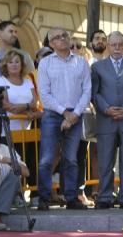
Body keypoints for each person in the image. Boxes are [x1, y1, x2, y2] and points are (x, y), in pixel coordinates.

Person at [36, 27, 92, 211]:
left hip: (76, 114)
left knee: (71, 158)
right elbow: (44, 94)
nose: (62, 39)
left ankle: (71, 197)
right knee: (47, 158)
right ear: (51, 44)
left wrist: (75, 113)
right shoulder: (45, 63)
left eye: (64, 36)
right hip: (53, 114)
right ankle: (43, 198)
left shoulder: (81, 62)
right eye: (57, 37)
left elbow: (87, 90)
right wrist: (64, 113)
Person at [90, 32, 123, 209]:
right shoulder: (97, 67)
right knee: (105, 160)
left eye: (120, 45)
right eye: (113, 45)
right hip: (106, 119)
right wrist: (106, 109)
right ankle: (105, 196)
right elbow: (94, 93)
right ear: (108, 46)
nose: (117, 48)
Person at [0, 48, 41, 133]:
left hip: (27, 131)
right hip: (7, 131)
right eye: (10, 62)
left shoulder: (28, 81)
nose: (14, 65)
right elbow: (6, 105)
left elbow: (35, 103)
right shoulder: (1, 80)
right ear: (6, 65)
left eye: (17, 62)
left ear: (22, 65)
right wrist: (27, 111)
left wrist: (25, 108)